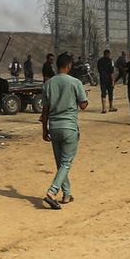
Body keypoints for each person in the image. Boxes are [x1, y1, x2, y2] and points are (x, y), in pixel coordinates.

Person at [39, 52, 88, 209]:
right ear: (69, 66)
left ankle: (66, 194)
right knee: (66, 162)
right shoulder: (75, 82)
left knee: (61, 163)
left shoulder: (48, 84)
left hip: (54, 127)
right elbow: (83, 105)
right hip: (69, 127)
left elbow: (44, 111)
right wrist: (84, 96)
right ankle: (52, 192)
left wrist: (44, 130)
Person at [96, 48, 117, 113]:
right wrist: (113, 81)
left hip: (102, 78)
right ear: (108, 54)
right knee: (110, 92)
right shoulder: (111, 61)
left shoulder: (99, 61)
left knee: (103, 93)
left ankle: (104, 108)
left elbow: (99, 70)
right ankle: (111, 107)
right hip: (109, 79)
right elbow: (112, 72)